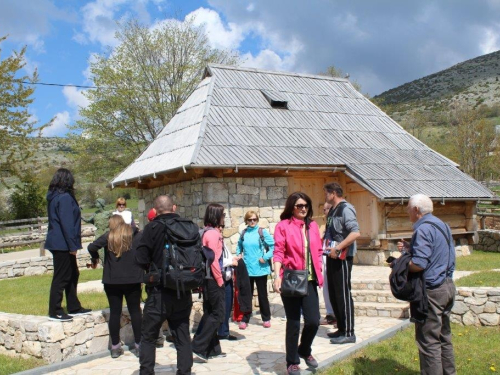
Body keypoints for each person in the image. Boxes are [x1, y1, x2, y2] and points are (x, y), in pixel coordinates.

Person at [398, 194, 456, 375]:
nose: (407, 211)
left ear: (416, 210)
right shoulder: (442, 225)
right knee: (443, 337)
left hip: (432, 291)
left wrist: (399, 265)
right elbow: (438, 253)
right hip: (447, 286)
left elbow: (419, 264)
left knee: (428, 341)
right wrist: (411, 248)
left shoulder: (422, 230)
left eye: (408, 208)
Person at [136, 195, 194, 375]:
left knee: (148, 336)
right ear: (174, 208)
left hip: (159, 292)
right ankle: (184, 371)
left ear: (155, 210)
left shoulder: (151, 228)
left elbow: (140, 258)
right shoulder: (188, 226)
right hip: (183, 289)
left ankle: (147, 372)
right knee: (182, 336)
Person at [273, 192, 324, 375]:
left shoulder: (313, 226)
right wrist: (276, 276)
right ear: (291, 208)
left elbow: (318, 251)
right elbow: (278, 251)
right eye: (299, 206)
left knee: (313, 321)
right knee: (294, 322)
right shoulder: (283, 226)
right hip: (292, 278)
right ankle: (292, 361)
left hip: (310, 279)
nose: (303, 209)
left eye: (306, 206)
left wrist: (319, 271)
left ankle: (304, 349)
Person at [87, 215, 143, 358]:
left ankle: (115, 347)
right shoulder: (135, 235)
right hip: (133, 279)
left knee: (115, 313)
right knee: (135, 311)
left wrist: (95, 258)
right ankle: (139, 345)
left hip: (112, 281)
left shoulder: (108, 236)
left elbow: (91, 247)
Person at [45, 168, 91, 322]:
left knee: (73, 273)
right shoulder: (64, 198)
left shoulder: (54, 197)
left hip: (58, 241)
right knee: (62, 276)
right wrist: (73, 246)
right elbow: (67, 223)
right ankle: (55, 310)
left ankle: (74, 306)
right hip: (62, 243)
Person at [324, 182, 360, 344]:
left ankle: (349, 332)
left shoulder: (346, 209)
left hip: (343, 257)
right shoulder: (332, 210)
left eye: (326, 193)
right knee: (334, 293)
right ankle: (341, 328)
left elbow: (355, 233)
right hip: (331, 256)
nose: (325, 196)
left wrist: (338, 248)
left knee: (343, 294)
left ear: (333, 193)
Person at [192, 203, 226, 360]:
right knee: (218, 314)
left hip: (208, 279)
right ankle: (198, 346)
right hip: (213, 279)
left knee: (210, 312)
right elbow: (213, 260)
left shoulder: (207, 231)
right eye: (222, 214)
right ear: (216, 216)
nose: (224, 217)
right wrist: (219, 279)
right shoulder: (212, 234)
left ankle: (213, 349)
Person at [236, 210, 274, 329]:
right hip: (247, 269)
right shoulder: (244, 233)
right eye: (250, 220)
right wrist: (238, 255)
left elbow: (273, 246)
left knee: (262, 295)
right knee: (247, 295)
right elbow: (239, 246)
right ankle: (245, 319)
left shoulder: (262, 232)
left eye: (254, 219)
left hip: (260, 269)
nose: (252, 222)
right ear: (246, 221)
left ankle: (266, 318)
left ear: (257, 220)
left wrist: (265, 257)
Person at [217, 241, 241, 340]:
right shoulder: (213, 240)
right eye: (219, 226)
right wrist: (231, 262)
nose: (221, 229)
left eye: (222, 226)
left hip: (227, 279)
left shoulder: (222, 241)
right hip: (219, 279)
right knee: (220, 307)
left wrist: (233, 259)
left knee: (227, 306)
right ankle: (218, 331)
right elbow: (217, 260)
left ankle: (224, 332)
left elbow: (226, 256)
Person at [320, 202, 336, 326]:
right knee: (326, 287)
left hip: (335, 255)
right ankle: (330, 314)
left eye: (327, 209)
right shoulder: (326, 224)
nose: (324, 212)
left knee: (335, 286)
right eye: (324, 210)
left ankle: (338, 315)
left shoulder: (335, 222)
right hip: (325, 255)